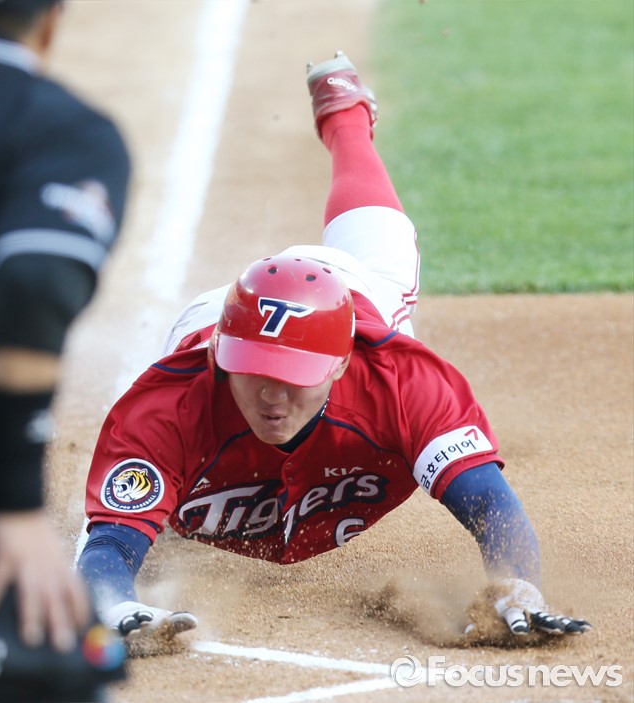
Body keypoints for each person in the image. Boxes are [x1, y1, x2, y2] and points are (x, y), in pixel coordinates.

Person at [77, 51, 591, 643]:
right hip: (219, 317)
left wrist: (518, 584)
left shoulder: (401, 381)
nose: (271, 396)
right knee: (149, 513)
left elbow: (489, 506)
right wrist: (113, 606)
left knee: (385, 240)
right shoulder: (169, 406)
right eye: (253, 372)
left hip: (349, 291)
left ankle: (345, 114)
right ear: (221, 356)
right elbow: (107, 545)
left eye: (293, 376)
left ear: (341, 364)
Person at [0, 1, 131, 700]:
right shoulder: (57, 129)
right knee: (65, 666)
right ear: (51, 20)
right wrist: (16, 502)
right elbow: (34, 283)